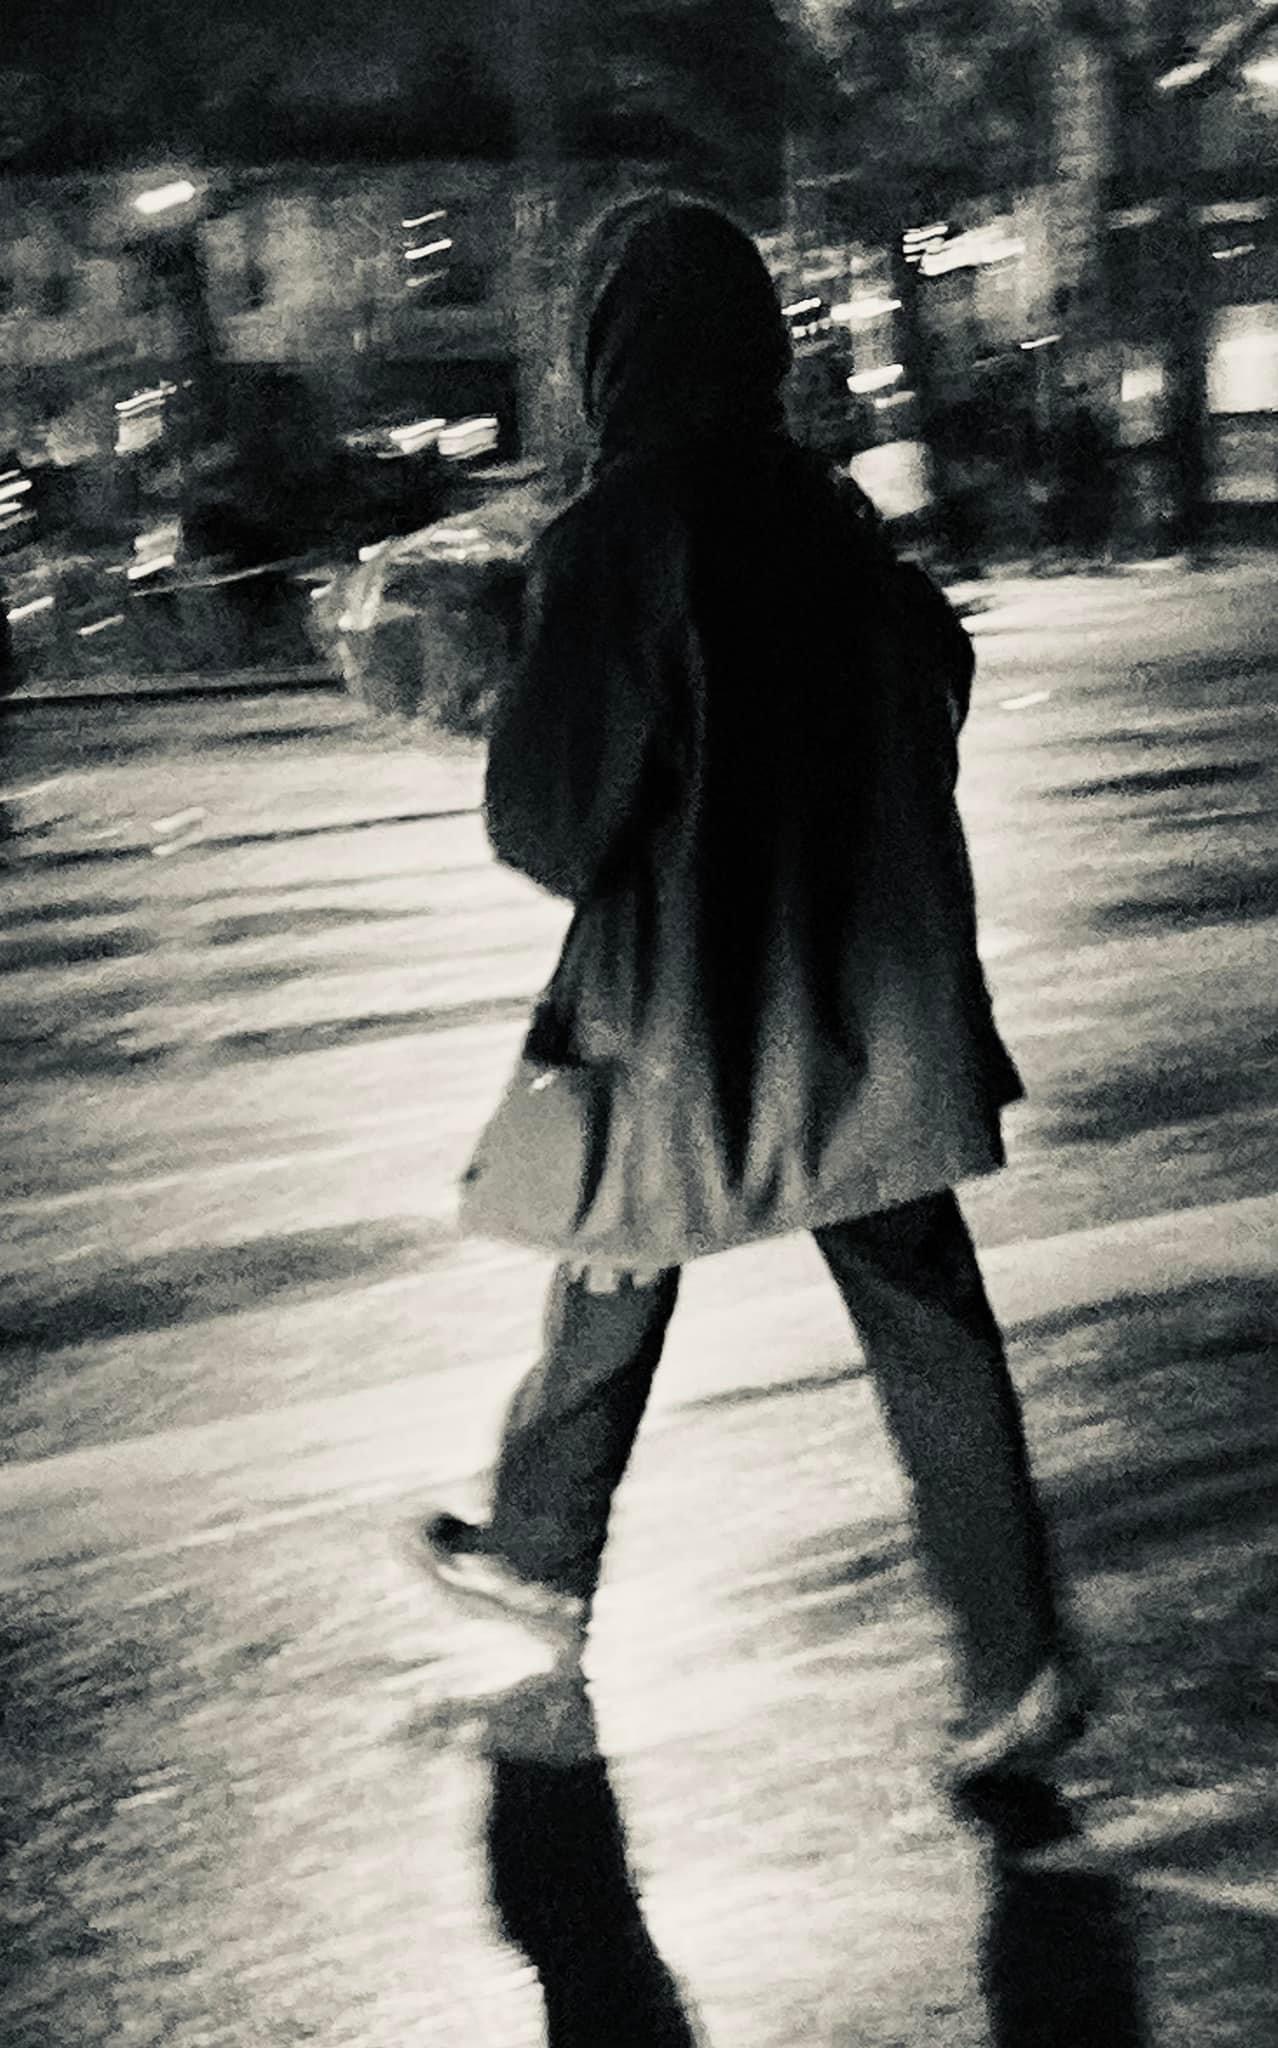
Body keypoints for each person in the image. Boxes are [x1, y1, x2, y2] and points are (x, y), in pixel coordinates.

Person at [414, 192, 1091, 1792]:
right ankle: (1014, 1661)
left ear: (608, 353)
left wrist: (502, 694)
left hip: (690, 1001)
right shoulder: (830, 513)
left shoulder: (614, 538)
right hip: (872, 988)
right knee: (920, 1310)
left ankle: (540, 1554)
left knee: (613, 1240)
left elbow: (551, 823)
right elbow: (938, 680)